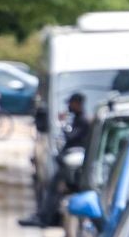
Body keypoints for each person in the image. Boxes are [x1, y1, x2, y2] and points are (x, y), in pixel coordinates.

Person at [24, 91, 91, 227]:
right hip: (67, 163)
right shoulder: (78, 119)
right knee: (52, 190)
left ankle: (46, 217)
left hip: (73, 167)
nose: (69, 107)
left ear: (77, 104)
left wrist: (63, 125)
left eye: (71, 104)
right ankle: (43, 215)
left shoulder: (83, 121)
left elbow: (72, 137)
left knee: (55, 190)